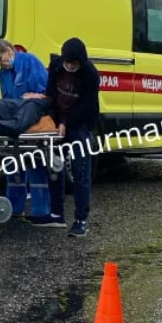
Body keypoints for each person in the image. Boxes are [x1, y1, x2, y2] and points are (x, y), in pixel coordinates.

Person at [0, 39, 56, 226]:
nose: (1, 63)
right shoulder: (3, 72)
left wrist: (35, 96)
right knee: (14, 164)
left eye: (0, 59)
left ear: (9, 51)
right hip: (17, 108)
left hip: (35, 106)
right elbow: (7, 99)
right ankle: (15, 208)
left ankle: (40, 211)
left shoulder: (30, 61)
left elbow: (48, 92)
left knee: (34, 163)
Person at [46, 37, 100, 237]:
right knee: (54, 167)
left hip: (81, 124)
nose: (69, 66)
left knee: (80, 172)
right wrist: (55, 119)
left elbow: (87, 107)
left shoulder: (90, 75)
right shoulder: (56, 66)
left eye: (74, 64)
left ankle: (81, 220)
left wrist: (66, 123)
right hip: (58, 119)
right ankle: (56, 213)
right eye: (67, 62)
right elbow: (51, 94)